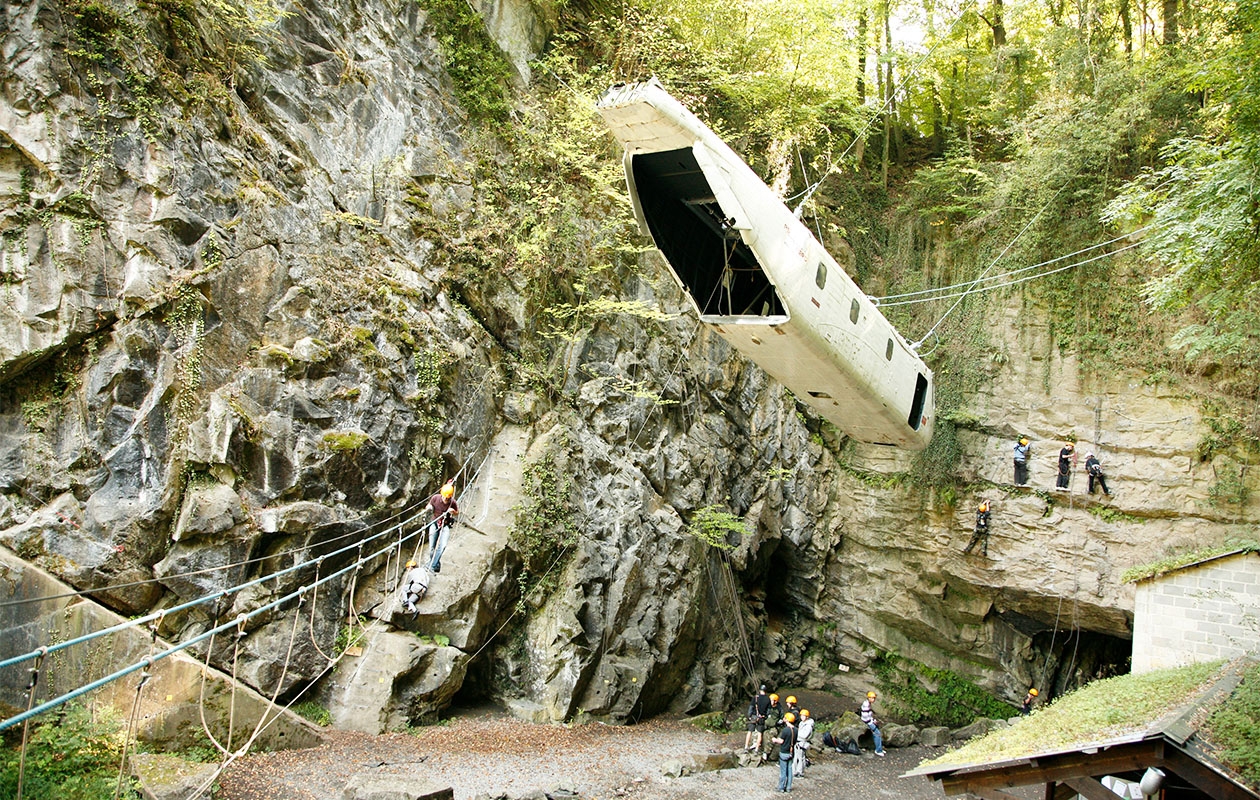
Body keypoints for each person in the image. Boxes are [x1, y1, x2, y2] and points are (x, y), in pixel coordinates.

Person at [426, 481, 459, 573]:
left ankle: (432, 566)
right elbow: (429, 505)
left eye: (448, 498)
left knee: (443, 545)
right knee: (431, 547)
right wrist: (429, 507)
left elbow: (457, 512)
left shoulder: (452, 502)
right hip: (435, 523)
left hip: (445, 525)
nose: (446, 499)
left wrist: (453, 512)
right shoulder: (435, 498)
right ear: (442, 495)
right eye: (445, 497)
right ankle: (435, 564)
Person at [772, 712, 798, 792]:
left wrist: (775, 740)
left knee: (783, 771)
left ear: (787, 719)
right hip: (791, 752)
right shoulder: (796, 730)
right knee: (790, 770)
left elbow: (781, 741)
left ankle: (781, 787)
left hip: (784, 752)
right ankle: (788, 787)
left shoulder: (786, 730)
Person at [745, 685, 772, 752]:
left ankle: (746, 747)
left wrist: (749, 716)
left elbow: (751, 707)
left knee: (750, 732)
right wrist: (765, 716)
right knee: (760, 733)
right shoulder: (768, 699)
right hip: (761, 718)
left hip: (754, 716)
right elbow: (768, 711)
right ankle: (756, 749)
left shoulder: (756, 698)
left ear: (760, 690)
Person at [860, 691, 885, 757]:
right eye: (872, 698)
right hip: (867, 722)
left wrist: (873, 720)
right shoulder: (866, 705)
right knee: (877, 733)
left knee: (877, 732)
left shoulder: (868, 704)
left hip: (869, 721)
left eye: (874, 698)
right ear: (868, 698)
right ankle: (878, 750)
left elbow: (869, 715)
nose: (873, 699)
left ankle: (880, 748)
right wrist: (872, 723)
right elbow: (865, 716)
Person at [793, 708, 814, 777]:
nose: (802, 717)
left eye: (803, 716)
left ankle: (800, 772)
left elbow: (805, 735)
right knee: (796, 757)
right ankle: (795, 770)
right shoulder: (801, 723)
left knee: (801, 758)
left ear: (807, 717)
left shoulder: (808, 726)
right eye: (801, 715)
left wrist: (797, 733)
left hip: (802, 743)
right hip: (798, 742)